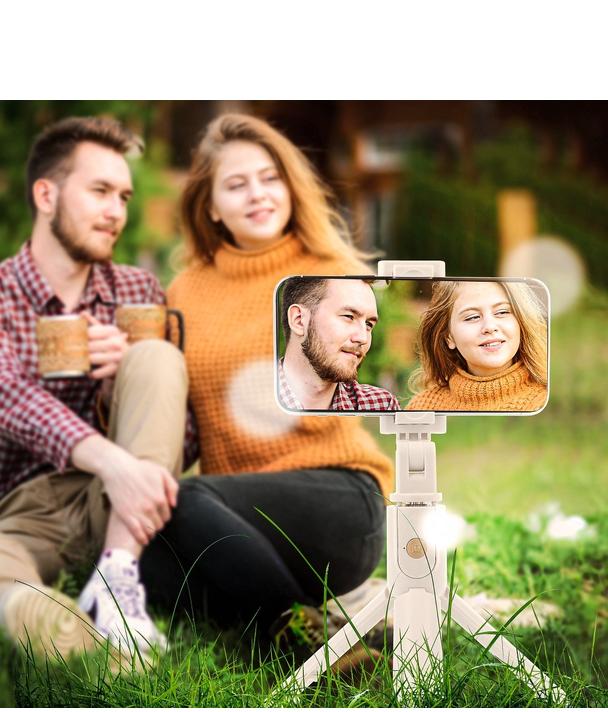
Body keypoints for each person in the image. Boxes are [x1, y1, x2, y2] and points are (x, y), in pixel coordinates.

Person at [139, 113, 394, 648]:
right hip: (232, 519)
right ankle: (288, 618)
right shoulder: (186, 289)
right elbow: (188, 422)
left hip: (336, 499)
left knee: (185, 502)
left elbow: (354, 371)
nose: (257, 194)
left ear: (290, 185)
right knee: (144, 568)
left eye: (269, 177)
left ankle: (302, 640)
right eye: (236, 184)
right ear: (209, 205)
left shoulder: (327, 269)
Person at [0, 117, 195, 658]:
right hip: (21, 512)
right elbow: (9, 395)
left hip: (119, 514)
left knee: (155, 356)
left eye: (125, 196)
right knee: (11, 609)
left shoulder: (136, 290)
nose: (117, 211)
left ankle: (116, 579)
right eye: (101, 191)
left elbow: (185, 434)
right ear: (46, 194)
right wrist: (117, 463)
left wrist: (120, 384)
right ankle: (110, 654)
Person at [406, 280, 548, 412]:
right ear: (449, 337)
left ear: (520, 323)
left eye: (502, 312)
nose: (490, 327)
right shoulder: (422, 407)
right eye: (472, 317)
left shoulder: (545, 403)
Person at [279, 276, 400, 411]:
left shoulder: (381, 406)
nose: (363, 338)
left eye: (368, 324)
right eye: (349, 317)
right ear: (299, 320)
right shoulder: (253, 404)